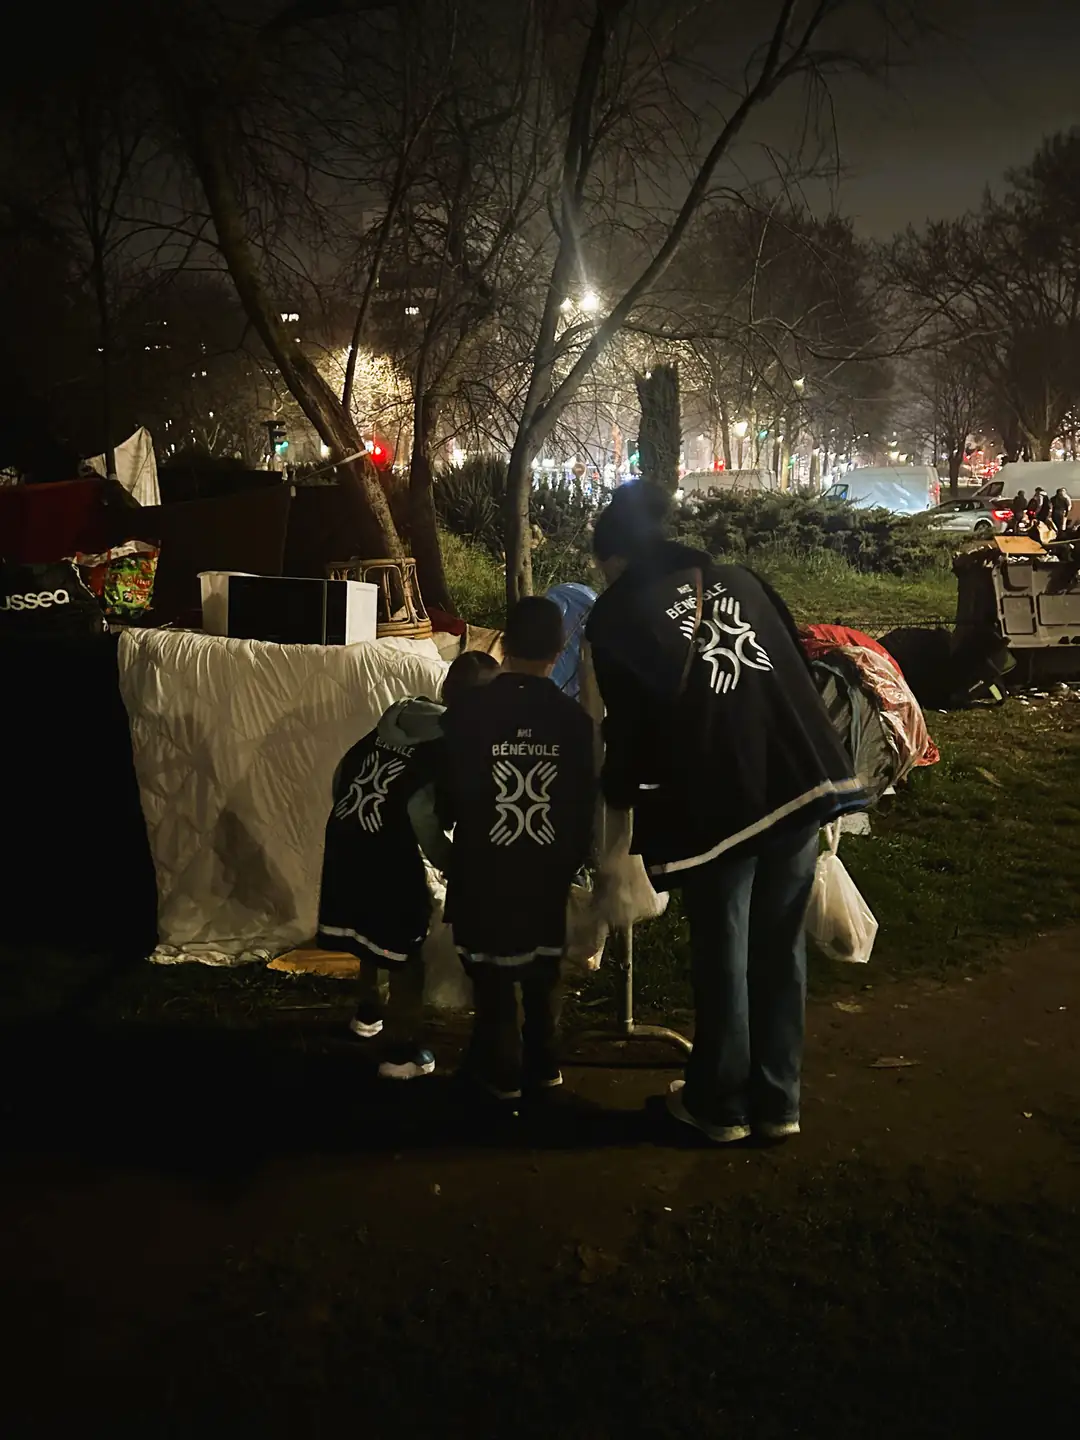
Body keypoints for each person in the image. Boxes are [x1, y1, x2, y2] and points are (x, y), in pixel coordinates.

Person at [585, 483, 866, 1145]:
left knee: (724, 947)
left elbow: (627, 722)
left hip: (717, 796)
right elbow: (795, 664)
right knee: (779, 945)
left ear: (615, 557)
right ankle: (778, 1101)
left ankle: (719, 1102)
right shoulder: (742, 579)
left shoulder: (617, 614)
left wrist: (617, 796)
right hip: (796, 777)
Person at [439, 597, 595, 1104]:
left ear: (503, 643)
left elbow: (448, 796)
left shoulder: (468, 712)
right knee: (541, 969)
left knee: (491, 975)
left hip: (483, 868)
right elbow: (582, 805)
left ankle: (500, 1070)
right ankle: (543, 1065)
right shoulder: (575, 722)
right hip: (547, 871)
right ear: (560, 648)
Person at [317, 651, 500, 1078]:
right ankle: (402, 1054)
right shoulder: (449, 741)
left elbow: (343, 772)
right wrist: (452, 862)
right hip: (386, 850)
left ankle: (367, 1015)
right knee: (406, 944)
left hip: (347, 833)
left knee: (369, 930)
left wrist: (357, 824)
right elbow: (421, 810)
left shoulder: (399, 716)